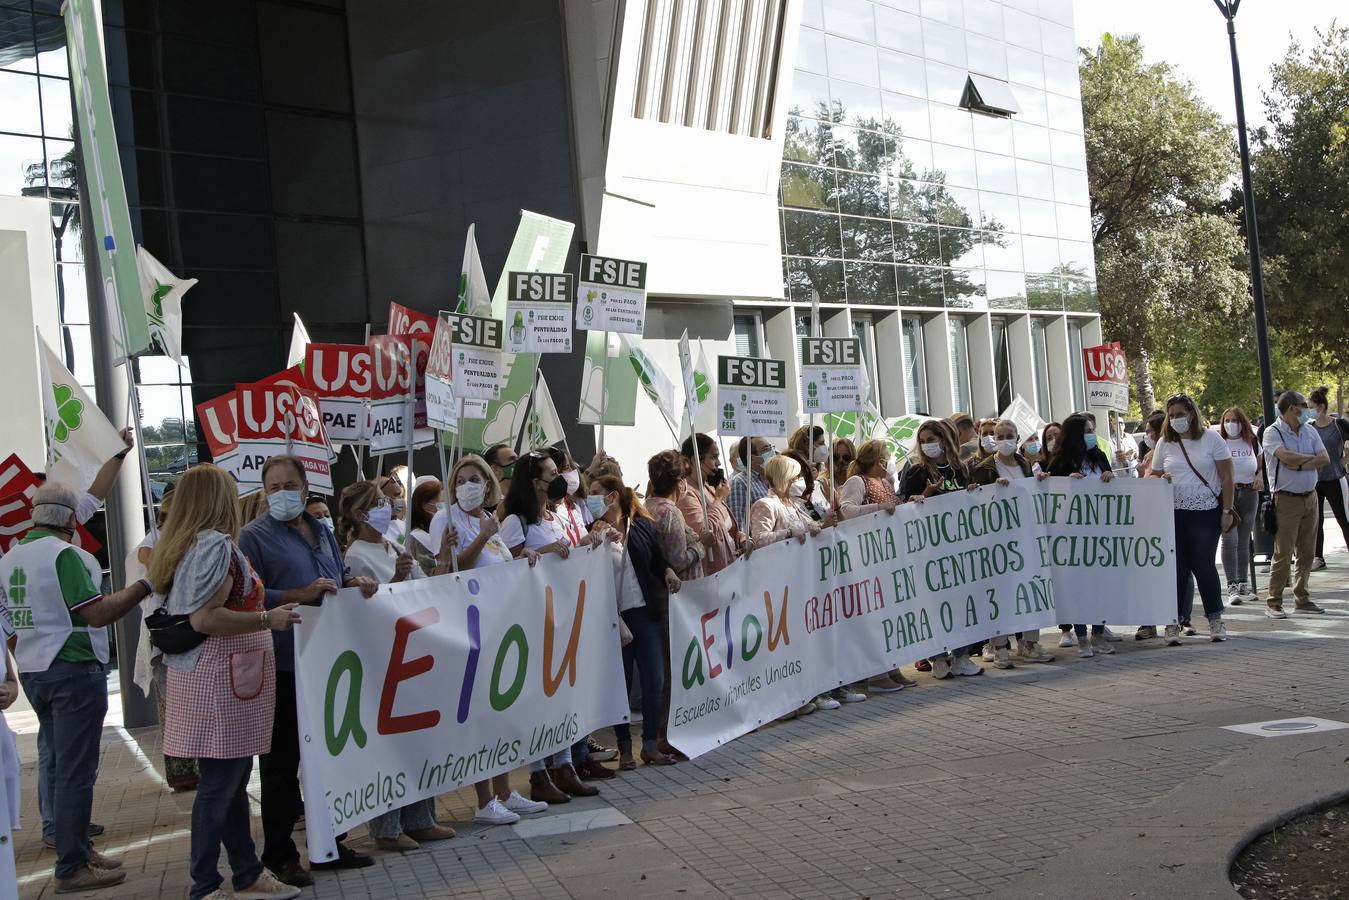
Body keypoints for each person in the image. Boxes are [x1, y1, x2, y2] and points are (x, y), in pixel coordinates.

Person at [149, 465, 304, 900]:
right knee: (220, 787)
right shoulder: (215, 545)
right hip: (223, 681)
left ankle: (247, 874)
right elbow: (205, 618)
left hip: (211, 678)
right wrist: (265, 618)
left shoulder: (183, 545)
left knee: (231, 785)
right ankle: (206, 886)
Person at [0, 482, 159, 891]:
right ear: (71, 519)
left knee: (60, 767)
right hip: (71, 669)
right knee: (75, 772)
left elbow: (11, 627)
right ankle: (71, 865)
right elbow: (97, 613)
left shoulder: (11, 557)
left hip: (37, 671)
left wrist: (29, 657)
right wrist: (147, 584)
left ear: (35, 515)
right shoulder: (65, 556)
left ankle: (76, 847)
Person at [239, 456, 377, 885]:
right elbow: (247, 597)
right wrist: (299, 594)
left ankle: (331, 843)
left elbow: (335, 576)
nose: (281, 493)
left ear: (305, 487)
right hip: (282, 662)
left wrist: (351, 583)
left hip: (328, 661)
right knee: (280, 764)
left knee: (328, 755)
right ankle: (280, 856)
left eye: (289, 485)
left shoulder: (321, 531)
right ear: (264, 492)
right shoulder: (253, 537)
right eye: (273, 487)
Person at [429, 454, 554, 821]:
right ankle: (484, 800)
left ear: (488, 484)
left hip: (499, 627)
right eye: (460, 480)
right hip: (469, 630)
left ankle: (504, 790)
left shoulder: (488, 520)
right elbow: (449, 571)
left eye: (475, 479)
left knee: (501, 713)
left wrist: (523, 557)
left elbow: (497, 568)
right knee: (480, 716)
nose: (467, 486)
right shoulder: (446, 520)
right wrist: (481, 539)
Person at [337, 480, 457, 852]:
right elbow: (365, 609)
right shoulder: (356, 556)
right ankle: (387, 827)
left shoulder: (392, 545)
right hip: (383, 657)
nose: (387, 506)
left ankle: (420, 818)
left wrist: (440, 559)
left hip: (413, 653)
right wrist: (396, 578)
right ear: (360, 515)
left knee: (417, 737)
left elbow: (424, 589)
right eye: (377, 503)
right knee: (390, 743)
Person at [499, 450, 601, 799]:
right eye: (550, 473)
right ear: (534, 481)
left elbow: (567, 552)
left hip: (564, 616)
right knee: (540, 700)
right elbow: (507, 568)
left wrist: (589, 544)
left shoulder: (554, 517)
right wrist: (542, 555)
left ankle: (564, 764)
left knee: (562, 696)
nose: (558, 478)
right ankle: (539, 774)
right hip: (535, 619)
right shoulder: (516, 522)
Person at [588, 474, 682, 767]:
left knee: (654, 679)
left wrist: (668, 571)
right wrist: (593, 540)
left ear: (612, 496)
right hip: (614, 618)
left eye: (595, 492)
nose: (589, 498)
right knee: (621, 684)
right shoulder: (591, 531)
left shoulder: (641, 525)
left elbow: (656, 558)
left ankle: (650, 744)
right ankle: (625, 747)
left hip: (644, 613)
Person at [1147, 395, 1234, 645]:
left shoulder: (1211, 439)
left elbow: (1227, 477)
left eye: (1179, 414)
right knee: (1177, 568)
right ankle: (1173, 621)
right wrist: (1158, 480)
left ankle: (1215, 618)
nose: (1176, 419)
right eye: (1171, 415)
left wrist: (1227, 510)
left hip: (1205, 510)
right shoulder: (1165, 442)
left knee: (1203, 564)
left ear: (1192, 414)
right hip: (1174, 511)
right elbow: (1154, 473)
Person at [129, 490, 200, 794]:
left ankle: (194, 767)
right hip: (167, 634)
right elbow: (155, 573)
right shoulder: (153, 541)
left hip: (187, 632)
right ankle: (182, 771)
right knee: (173, 705)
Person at [968, 420, 1054, 665]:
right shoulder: (985, 467)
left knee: (1030, 587)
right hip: (998, 541)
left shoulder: (1024, 463)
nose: (1005, 439)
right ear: (994, 439)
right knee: (1002, 591)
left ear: (1017, 438)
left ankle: (1029, 643)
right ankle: (999, 645)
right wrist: (993, 491)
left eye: (1009, 435)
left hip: (1026, 535)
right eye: (1000, 435)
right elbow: (975, 500)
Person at [900, 421, 982, 679]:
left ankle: (961, 656)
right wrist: (923, 494)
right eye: (923, 440)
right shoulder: (916, 471)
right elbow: (905, 506)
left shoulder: (961, 469)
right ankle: (937, 657)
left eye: (931, 439)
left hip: (959, 549)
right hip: (929, 551)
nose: (927, 445)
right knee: (934, 605)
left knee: (960, 603)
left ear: (944, 439)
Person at [835, 439, 908, 695]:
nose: (885, 463)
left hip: (886, 555)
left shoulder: (885, 483)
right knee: (873, 615)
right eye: (882, 458)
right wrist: (877, 508)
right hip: (866, 555)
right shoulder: (858, 482)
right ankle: (876, 672)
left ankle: (891, 665)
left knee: (888, 613)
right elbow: (847, 511)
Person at [1045, 413, 1119, 656]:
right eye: (1087, 431)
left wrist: (1110, 477)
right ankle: (1081, 637)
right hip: (1072, 537)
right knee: (1077, 586)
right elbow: (1049, 494)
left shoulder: (1099, 456)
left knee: (1099, 585)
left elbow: (1112, 487)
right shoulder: (1060, 463)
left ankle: (1098, 634)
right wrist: (1066, 483)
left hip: (1100, 532)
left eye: (1092, 430)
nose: (1091, 435)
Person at [1262, 391, 1331, 618]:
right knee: (1283, 553)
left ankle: (1302, 598)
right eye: (1304, 405)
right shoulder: (1273, 432)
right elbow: (1286, 458)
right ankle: (1274, 601)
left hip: (1309, 497)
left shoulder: (1310, 430)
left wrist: (1299, 464)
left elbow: (1325, 458)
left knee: (1307, 552)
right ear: (1293, 408)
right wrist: (1304, 459)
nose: (1308, 409)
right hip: (1286, 500)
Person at [677, 433, 741, 575]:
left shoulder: (708, 487)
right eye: (713, 457)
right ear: (695, 460)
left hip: (729, 568)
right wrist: (718, 500)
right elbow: (706, 534)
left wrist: (740, 538)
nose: (718, 463)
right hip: (711, 576)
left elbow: (725, 525)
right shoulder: (686, 495)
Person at [1218, 407, 1262, 605]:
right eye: (1227, 420)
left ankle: (1243, 583)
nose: (1230, 424)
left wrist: (1259, 475)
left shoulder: (1251, 440)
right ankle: (1231, 585)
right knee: (1230, 539)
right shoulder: (1220, 442)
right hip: (1228, 493)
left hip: (1249, 492)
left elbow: (1260, 463)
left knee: (1244, 539)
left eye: (1234, 420)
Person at [1308, 387, 1349, 570]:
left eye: (1311, 406)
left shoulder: (1339, 425)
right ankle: (1318, 557)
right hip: (1315, 480)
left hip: (1335, 477)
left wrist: (1345, 458)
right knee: (1317, 520)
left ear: (1321, 407)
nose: (1308, 411)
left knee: (1343, 518)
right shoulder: (1309, 428)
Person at [727, 437, 773, 533]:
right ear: (751, 459)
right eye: (765, 450)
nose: (772, 452)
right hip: (761, 544)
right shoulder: (740, 483)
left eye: (771, 447)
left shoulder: (773, 477)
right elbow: (737, 525)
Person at [406, 477, 443, 575]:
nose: (444, 509)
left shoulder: (439, 531)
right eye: (440, 504)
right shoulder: (418, 538)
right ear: (425, 506)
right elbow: (430, 574)